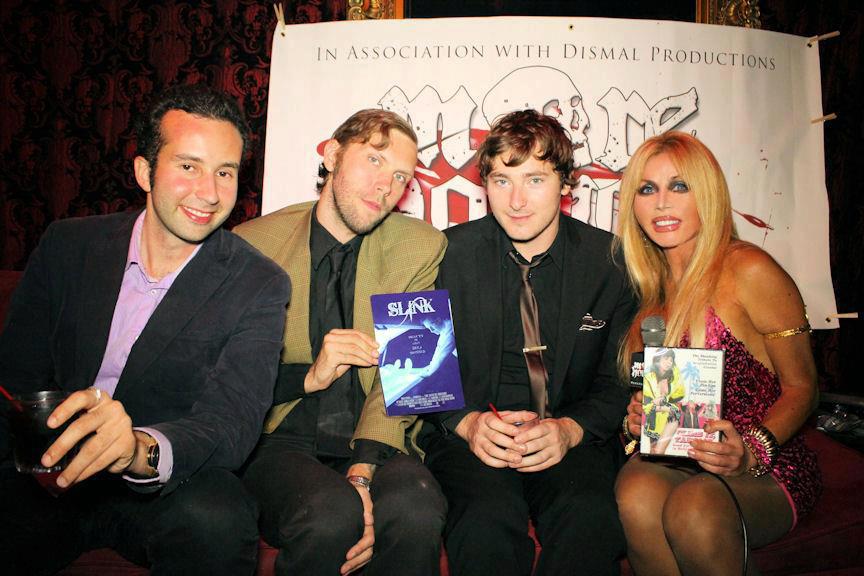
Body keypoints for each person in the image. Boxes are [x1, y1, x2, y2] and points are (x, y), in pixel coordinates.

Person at [0, 85, 291, 575]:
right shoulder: (68, 246)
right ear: (144, 171)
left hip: (163, 481)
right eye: (188, 166)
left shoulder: (259, 283)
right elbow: (16, 375)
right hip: (48, 470)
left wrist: (137, 447)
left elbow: (232, 421)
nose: (209, 192)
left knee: (220, 519)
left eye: (225, 172)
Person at [419, 109, 637, 576]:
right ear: (485, 186)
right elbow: (417, 371)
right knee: (482, 525)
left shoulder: (612, 264)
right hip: (472, 435)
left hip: (569, 434)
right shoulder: (442, 254)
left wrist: (571, 430)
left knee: (591, 521)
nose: (516, 200)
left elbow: (618, 381)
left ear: (566, 185)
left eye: (535, 180)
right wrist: (466, 422)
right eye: (501, 180)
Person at [234, 109, 447, 576]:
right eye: (373, 160)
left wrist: (363, 473)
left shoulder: (419, 246)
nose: (385, 187)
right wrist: (308, 376)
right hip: (279, 439)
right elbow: (227, 380)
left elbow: (410, 380)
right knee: (331, 515)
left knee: (416, 508)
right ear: (332, 154)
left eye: (400, 176)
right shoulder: (252, 245)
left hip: (375, 439)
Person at [615, 131, 821, 575]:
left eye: (679, 186)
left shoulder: (748, 268)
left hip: (769, 461)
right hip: (681, 459)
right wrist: (638, 421)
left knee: (694, 506)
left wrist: (751, 449)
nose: (662, 203)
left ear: (707, 194)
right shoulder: (648, 306)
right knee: (633, 487)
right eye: (647, 189)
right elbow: (660, 418)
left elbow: (804, 387)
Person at [642, 348, 684, 454]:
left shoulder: (672, 377)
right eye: (666, 358)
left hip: (668, 417)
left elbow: (678, 395)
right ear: (658, 359)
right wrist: (664, 407)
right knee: (653, 451)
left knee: (659, 452)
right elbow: (647, 407)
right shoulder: (648, 378)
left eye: (671, 360)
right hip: (654, 420)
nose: (669, 362)